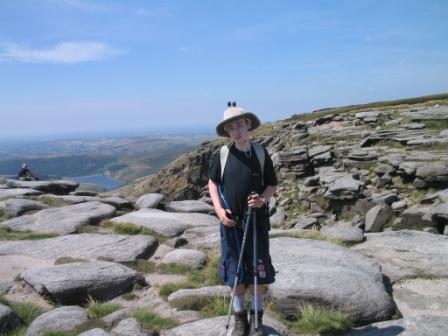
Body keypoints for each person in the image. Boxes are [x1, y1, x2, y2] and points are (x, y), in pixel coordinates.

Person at [208, 102, 278, 336]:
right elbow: (213, 183)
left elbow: (271, 184)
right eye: (231, 128)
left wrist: (262, 200)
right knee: (234, 271)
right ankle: (240, 321)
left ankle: (256, 320)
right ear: (227, 132)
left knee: (259, 271)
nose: (236, 131)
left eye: (240, 125)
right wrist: (219, 211)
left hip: (257, 222)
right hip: (230, 224)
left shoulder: (260, 152)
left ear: (248, 125)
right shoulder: (223, 155)